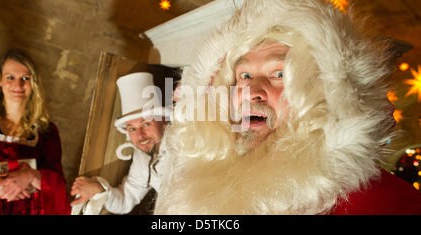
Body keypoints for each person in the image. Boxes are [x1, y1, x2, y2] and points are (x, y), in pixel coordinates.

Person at [154, 0, 421, 214]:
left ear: (326, 93)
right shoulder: (195, 186)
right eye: (244, 76)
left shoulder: (384, 203)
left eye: (279, 74)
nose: (252, 92)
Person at [0, 49, 70, 215]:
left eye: (25, 78)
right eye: (10, 78)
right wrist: (1, 185)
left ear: (34, 84)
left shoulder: (47, 132)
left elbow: (58, 185)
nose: (18, 85)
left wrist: (31, 176)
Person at [70, 72, 169, 214]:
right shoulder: (142, 159)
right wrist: (99, 189)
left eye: (146, 124)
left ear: (163, 121)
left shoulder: (187, 141)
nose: (140, 135)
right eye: (132, 128)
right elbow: (125, 200)